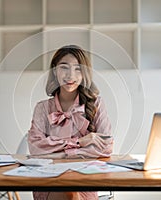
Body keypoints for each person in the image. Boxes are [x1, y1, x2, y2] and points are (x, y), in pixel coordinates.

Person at [28, 45, 113, 200]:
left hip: (85, 179)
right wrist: (79, 143)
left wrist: (58, 152)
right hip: (49, 179)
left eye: (77, 69)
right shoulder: (42, 108)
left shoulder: (96, 104)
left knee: (72, 192)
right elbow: (36, 148)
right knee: (65, 191)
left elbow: (106, 147)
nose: (70, 75)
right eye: (64, 68)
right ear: (55, 71)